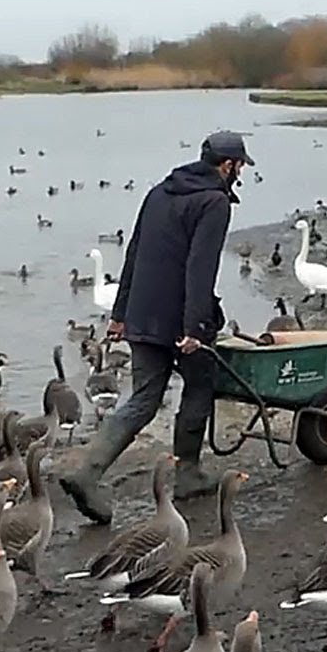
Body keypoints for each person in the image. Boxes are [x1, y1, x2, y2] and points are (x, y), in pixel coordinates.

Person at [59, 131, 253, 524]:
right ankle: (188, 473)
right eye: (240, 165)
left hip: (143, 313)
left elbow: (134, 252)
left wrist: (121, 313)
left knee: (144, 397)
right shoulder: (214, 202)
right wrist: (195, 329)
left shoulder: (159, 192)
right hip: (179, 316)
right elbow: (201, 268)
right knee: (200, 385)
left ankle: (88, 471)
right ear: (227, 165)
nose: (240, 173)